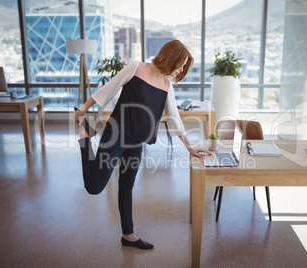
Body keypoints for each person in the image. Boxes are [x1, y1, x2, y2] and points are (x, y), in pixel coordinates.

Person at [73, 39, 210, 250]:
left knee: (126, 187)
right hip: (116, 135)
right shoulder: (136, 68)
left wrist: (190, 147)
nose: (181, 69)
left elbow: (174, 119)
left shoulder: (166, 85)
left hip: (137, 141)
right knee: (94, 187)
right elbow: (107, 90)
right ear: (170, 57)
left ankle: (128, 235)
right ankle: (84, 134)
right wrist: (83, 109)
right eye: (181, 64)